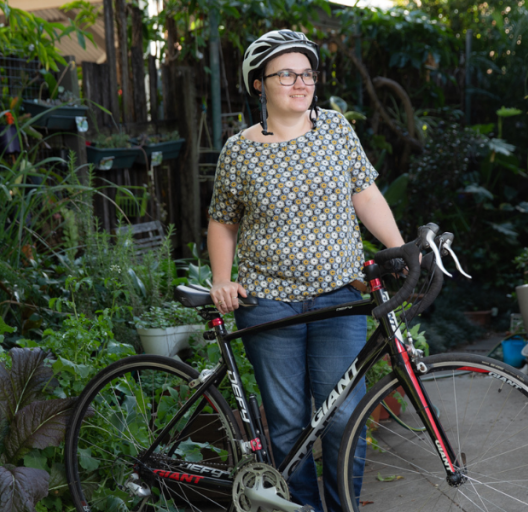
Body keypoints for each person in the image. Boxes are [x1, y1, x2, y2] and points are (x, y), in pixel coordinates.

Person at [207, 29, 406, 512]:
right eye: (287, 74)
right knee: (289, 425)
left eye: (307, 73)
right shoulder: (240, 150)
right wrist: (223, 278)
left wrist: (399, 248)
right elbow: (222, 220)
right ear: (260, 84)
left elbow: (364, 193)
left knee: (343, 419)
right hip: (267, 304)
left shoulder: (336, 129)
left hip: (338, 296)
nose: (301, 83)